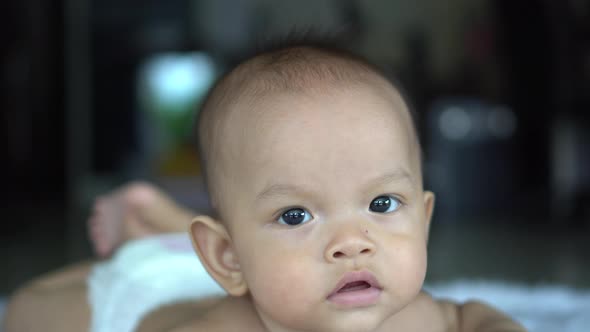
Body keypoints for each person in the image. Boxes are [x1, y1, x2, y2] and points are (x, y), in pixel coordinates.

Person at [4, 40, 526, 332]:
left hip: (225, 264)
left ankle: (162, 222)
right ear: (226, 257)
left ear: (425, 220)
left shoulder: (415, 319)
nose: (353, 242)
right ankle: (149, 237)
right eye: (296, 214)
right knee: (27, 311)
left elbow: (472, 317)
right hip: (140, 295)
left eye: (382, 203)